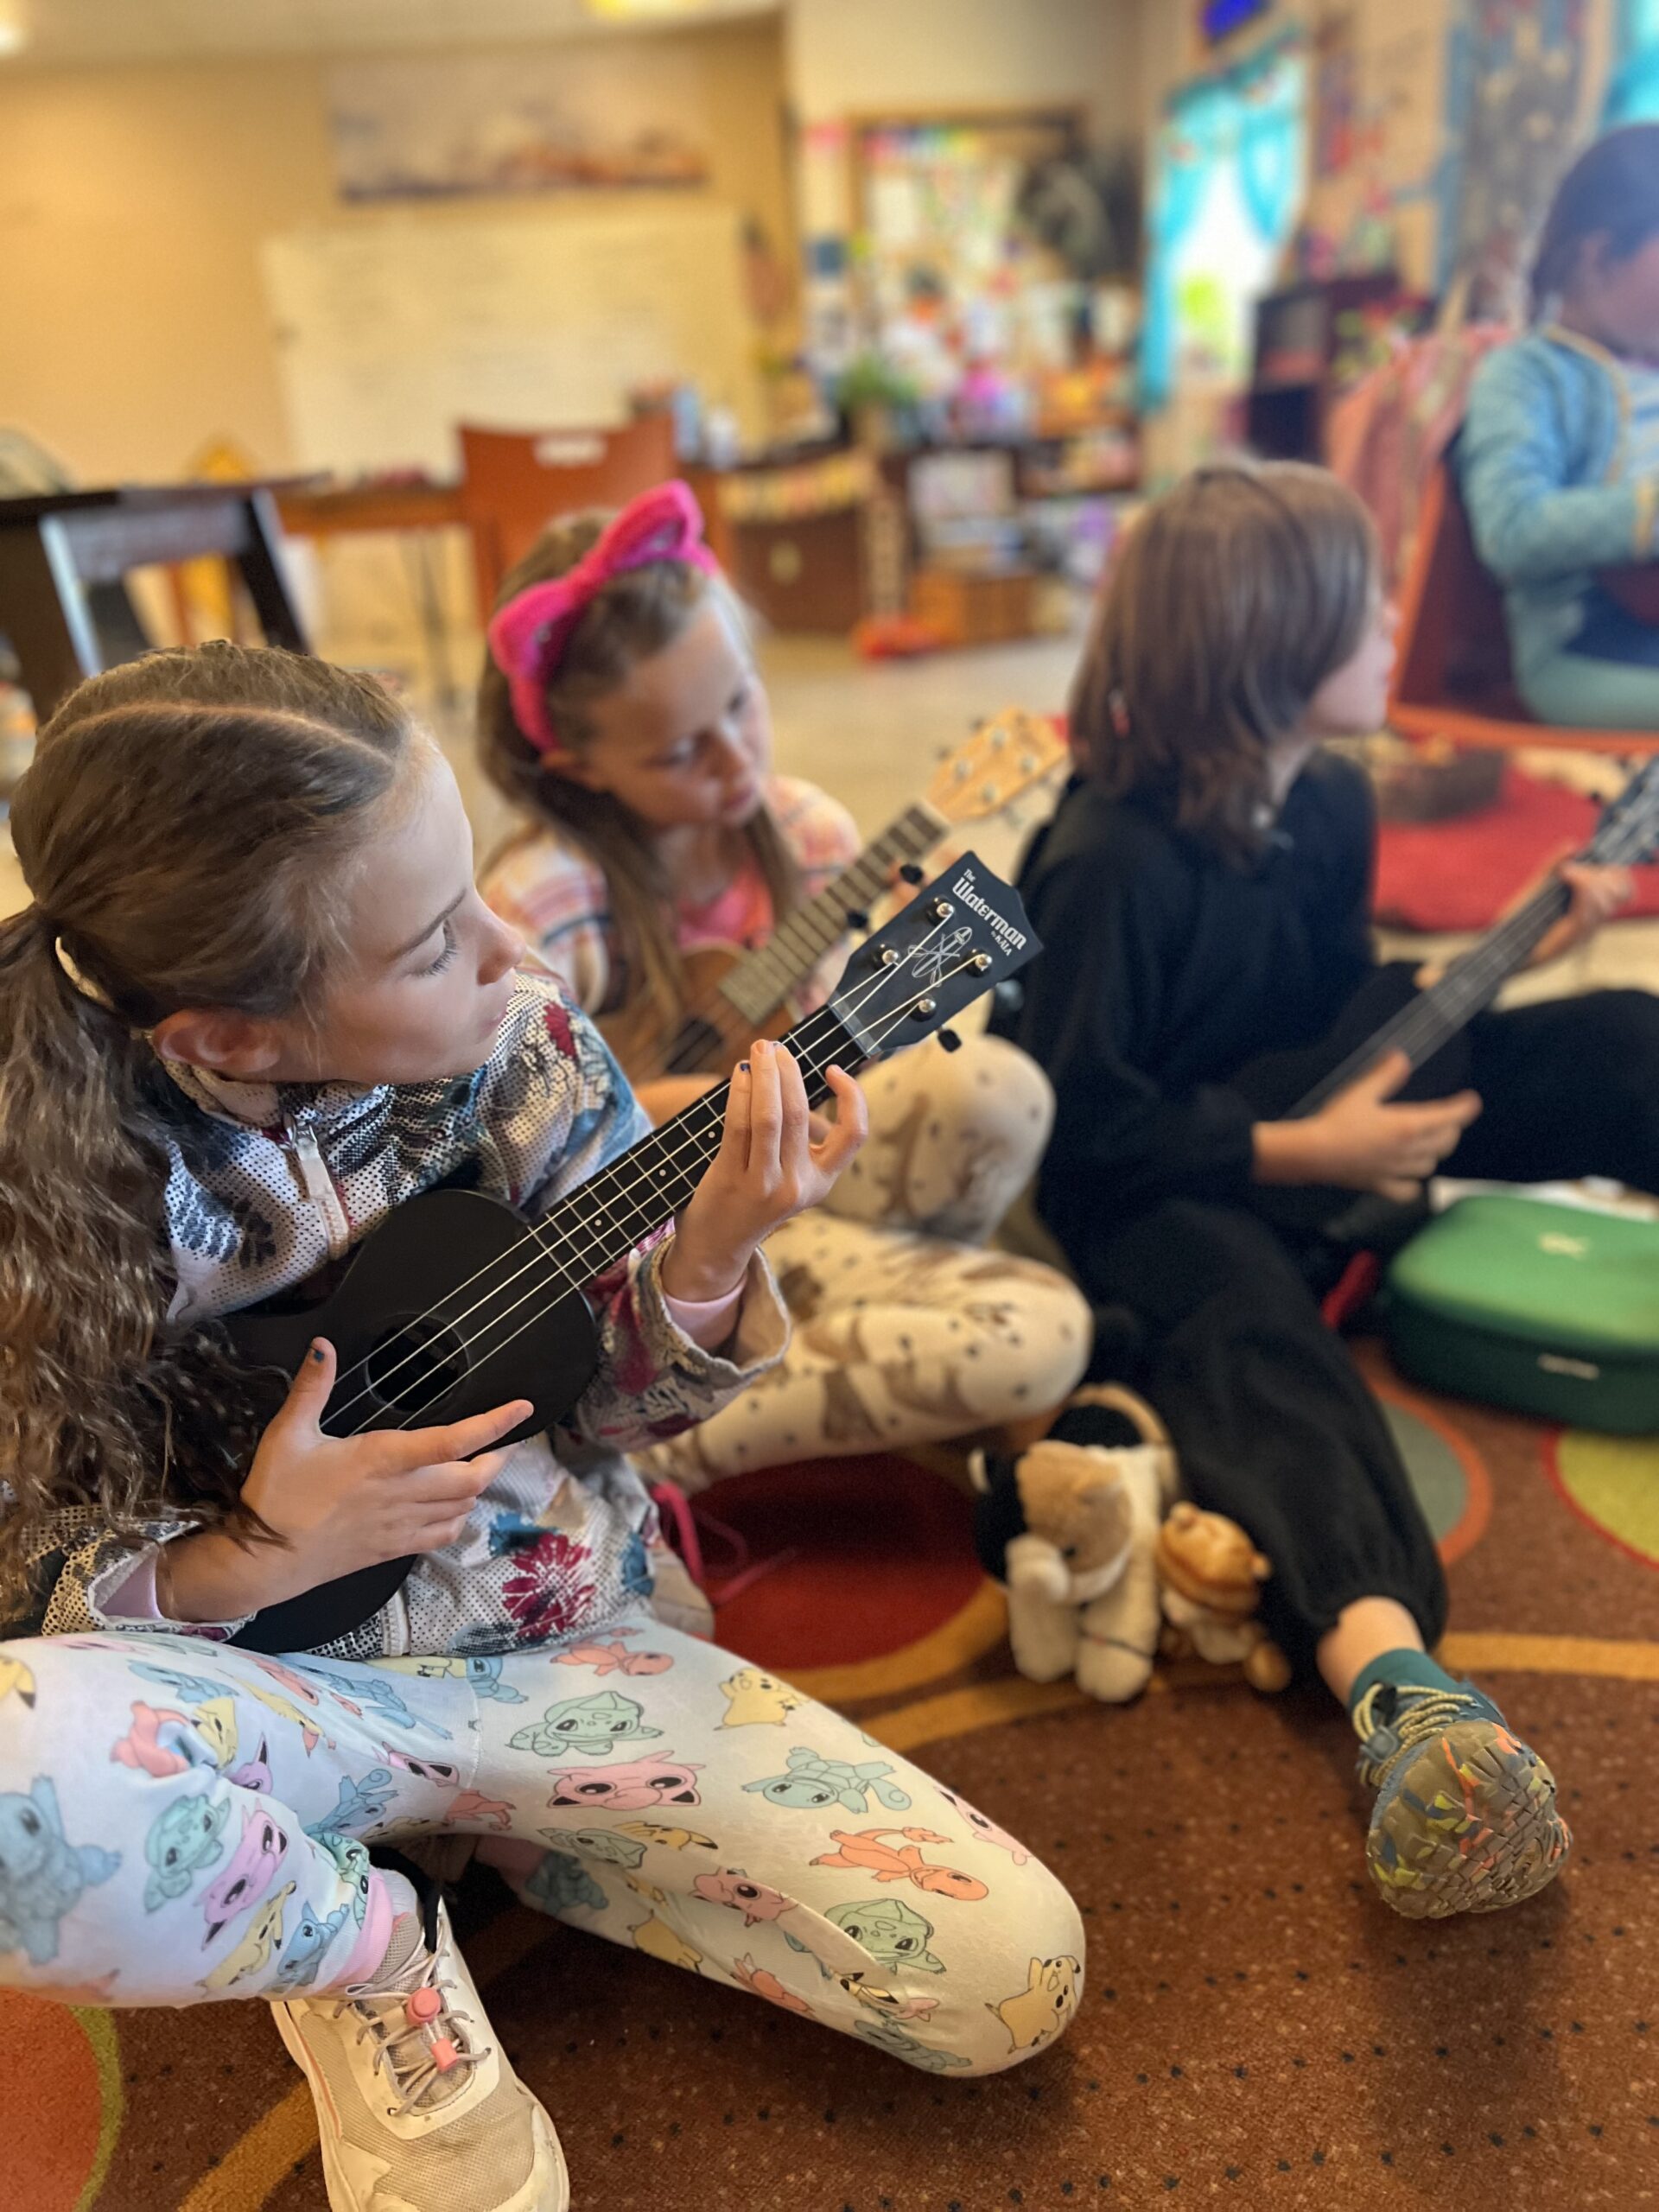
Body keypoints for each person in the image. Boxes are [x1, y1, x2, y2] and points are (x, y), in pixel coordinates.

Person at [0, 644, 1084, 2212]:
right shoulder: (43, 1189)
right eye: (438, 938)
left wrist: (709, 1261)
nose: (513, 950)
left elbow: (617, 1410)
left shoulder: (533, 1051)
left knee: (1009, 1974)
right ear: (228, 1038)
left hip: (561, 1649)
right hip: (272, 1706)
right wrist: (243, 1562)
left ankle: (495, 1836)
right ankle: (372, 1947)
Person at [992, 461, 1659, 1919]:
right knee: (1257, 1337)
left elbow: (1332, 1005)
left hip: (1309, 1112)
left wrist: (1524, 949)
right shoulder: (1104, 861)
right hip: (1151, 1184)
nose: (1396, 629)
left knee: (1622, 1038)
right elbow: (1075, 1125)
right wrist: (1306, 1159)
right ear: (1270, 650)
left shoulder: (1334, 798)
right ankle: (1401, 1690)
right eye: (1369, 611)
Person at [477, 480, 1091, 1490]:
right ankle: (657, 1430)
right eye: (681, 750)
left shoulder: (808, 835)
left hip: (780, 1196)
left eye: (742, 700)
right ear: (581, 768)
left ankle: (842, 1325)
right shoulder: (543, 901)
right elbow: (508, 1168)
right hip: (639, 1262)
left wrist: (884, 1001)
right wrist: (680, 1111)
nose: (736, 759)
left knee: (999, 1090)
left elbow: (823, 1072)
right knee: (1039, 1331)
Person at [1462, 122, 1659, 728]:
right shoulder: (1525, 373)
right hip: (1580, 651)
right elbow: (1509, 528)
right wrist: (1648, 513)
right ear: (1599, 258)